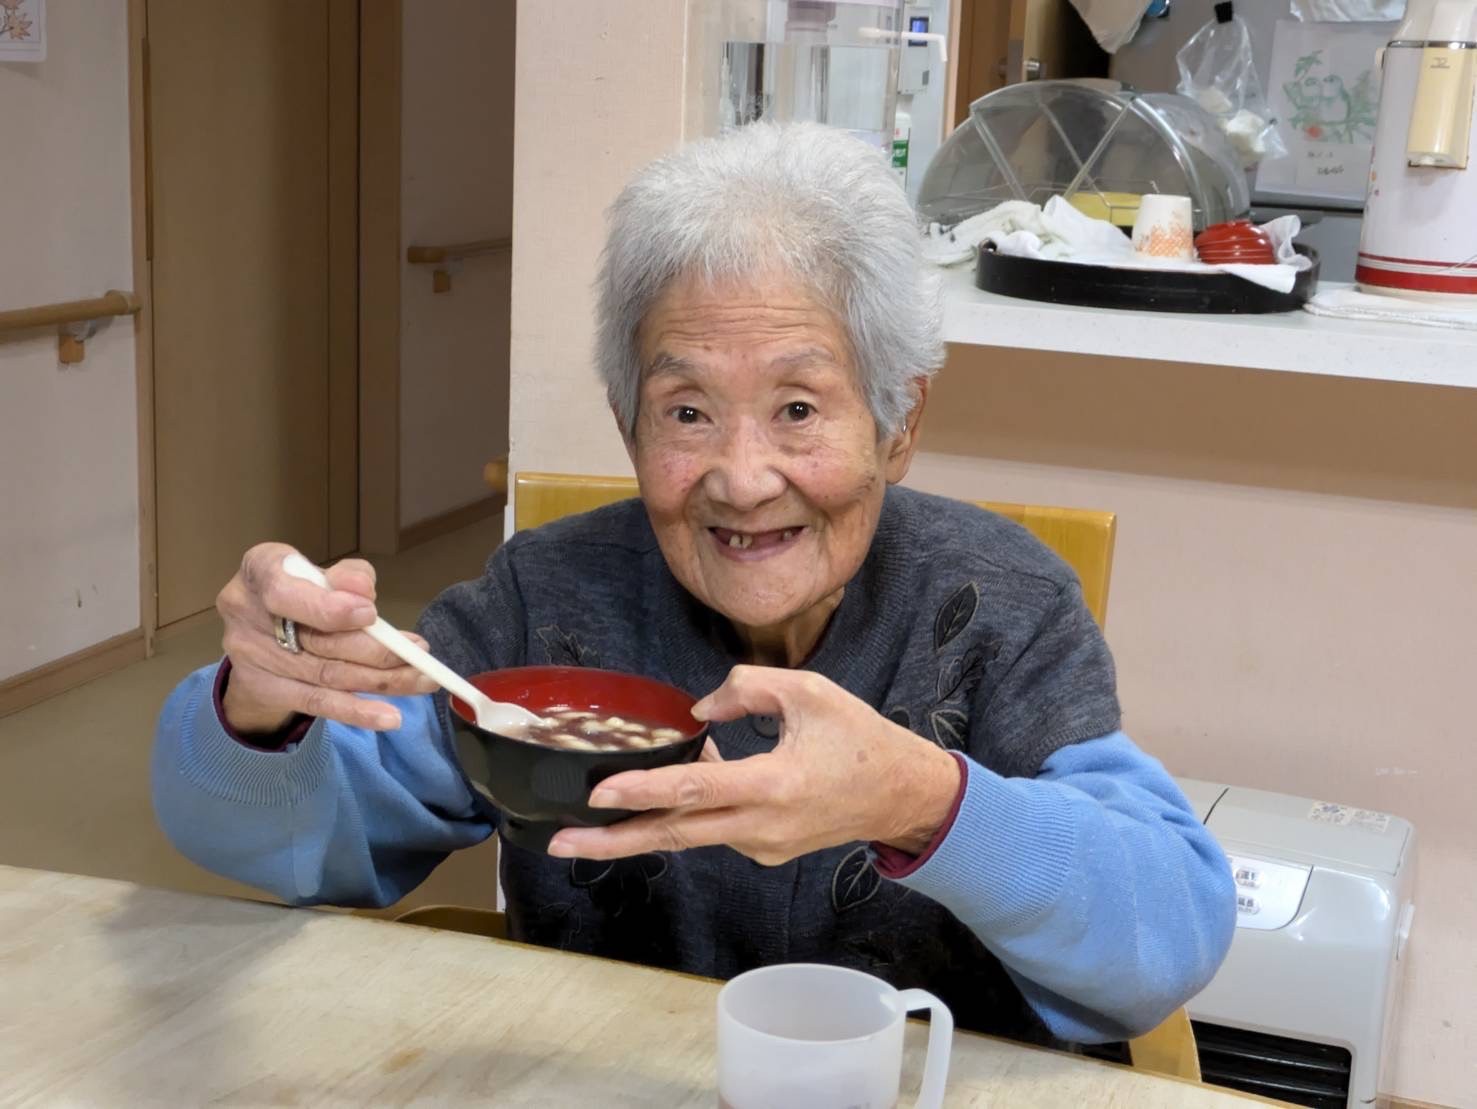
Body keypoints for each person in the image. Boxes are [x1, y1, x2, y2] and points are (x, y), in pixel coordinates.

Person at [154, 122, 1234, 1048]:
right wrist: (259, 707)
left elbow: (1166, 936)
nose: (741, 475)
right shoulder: (545, 595)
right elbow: (288, 837)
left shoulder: (997, 601)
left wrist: (921, 797)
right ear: (629, 427)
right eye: (685, 410)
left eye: (800, 408)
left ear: (898, 422)